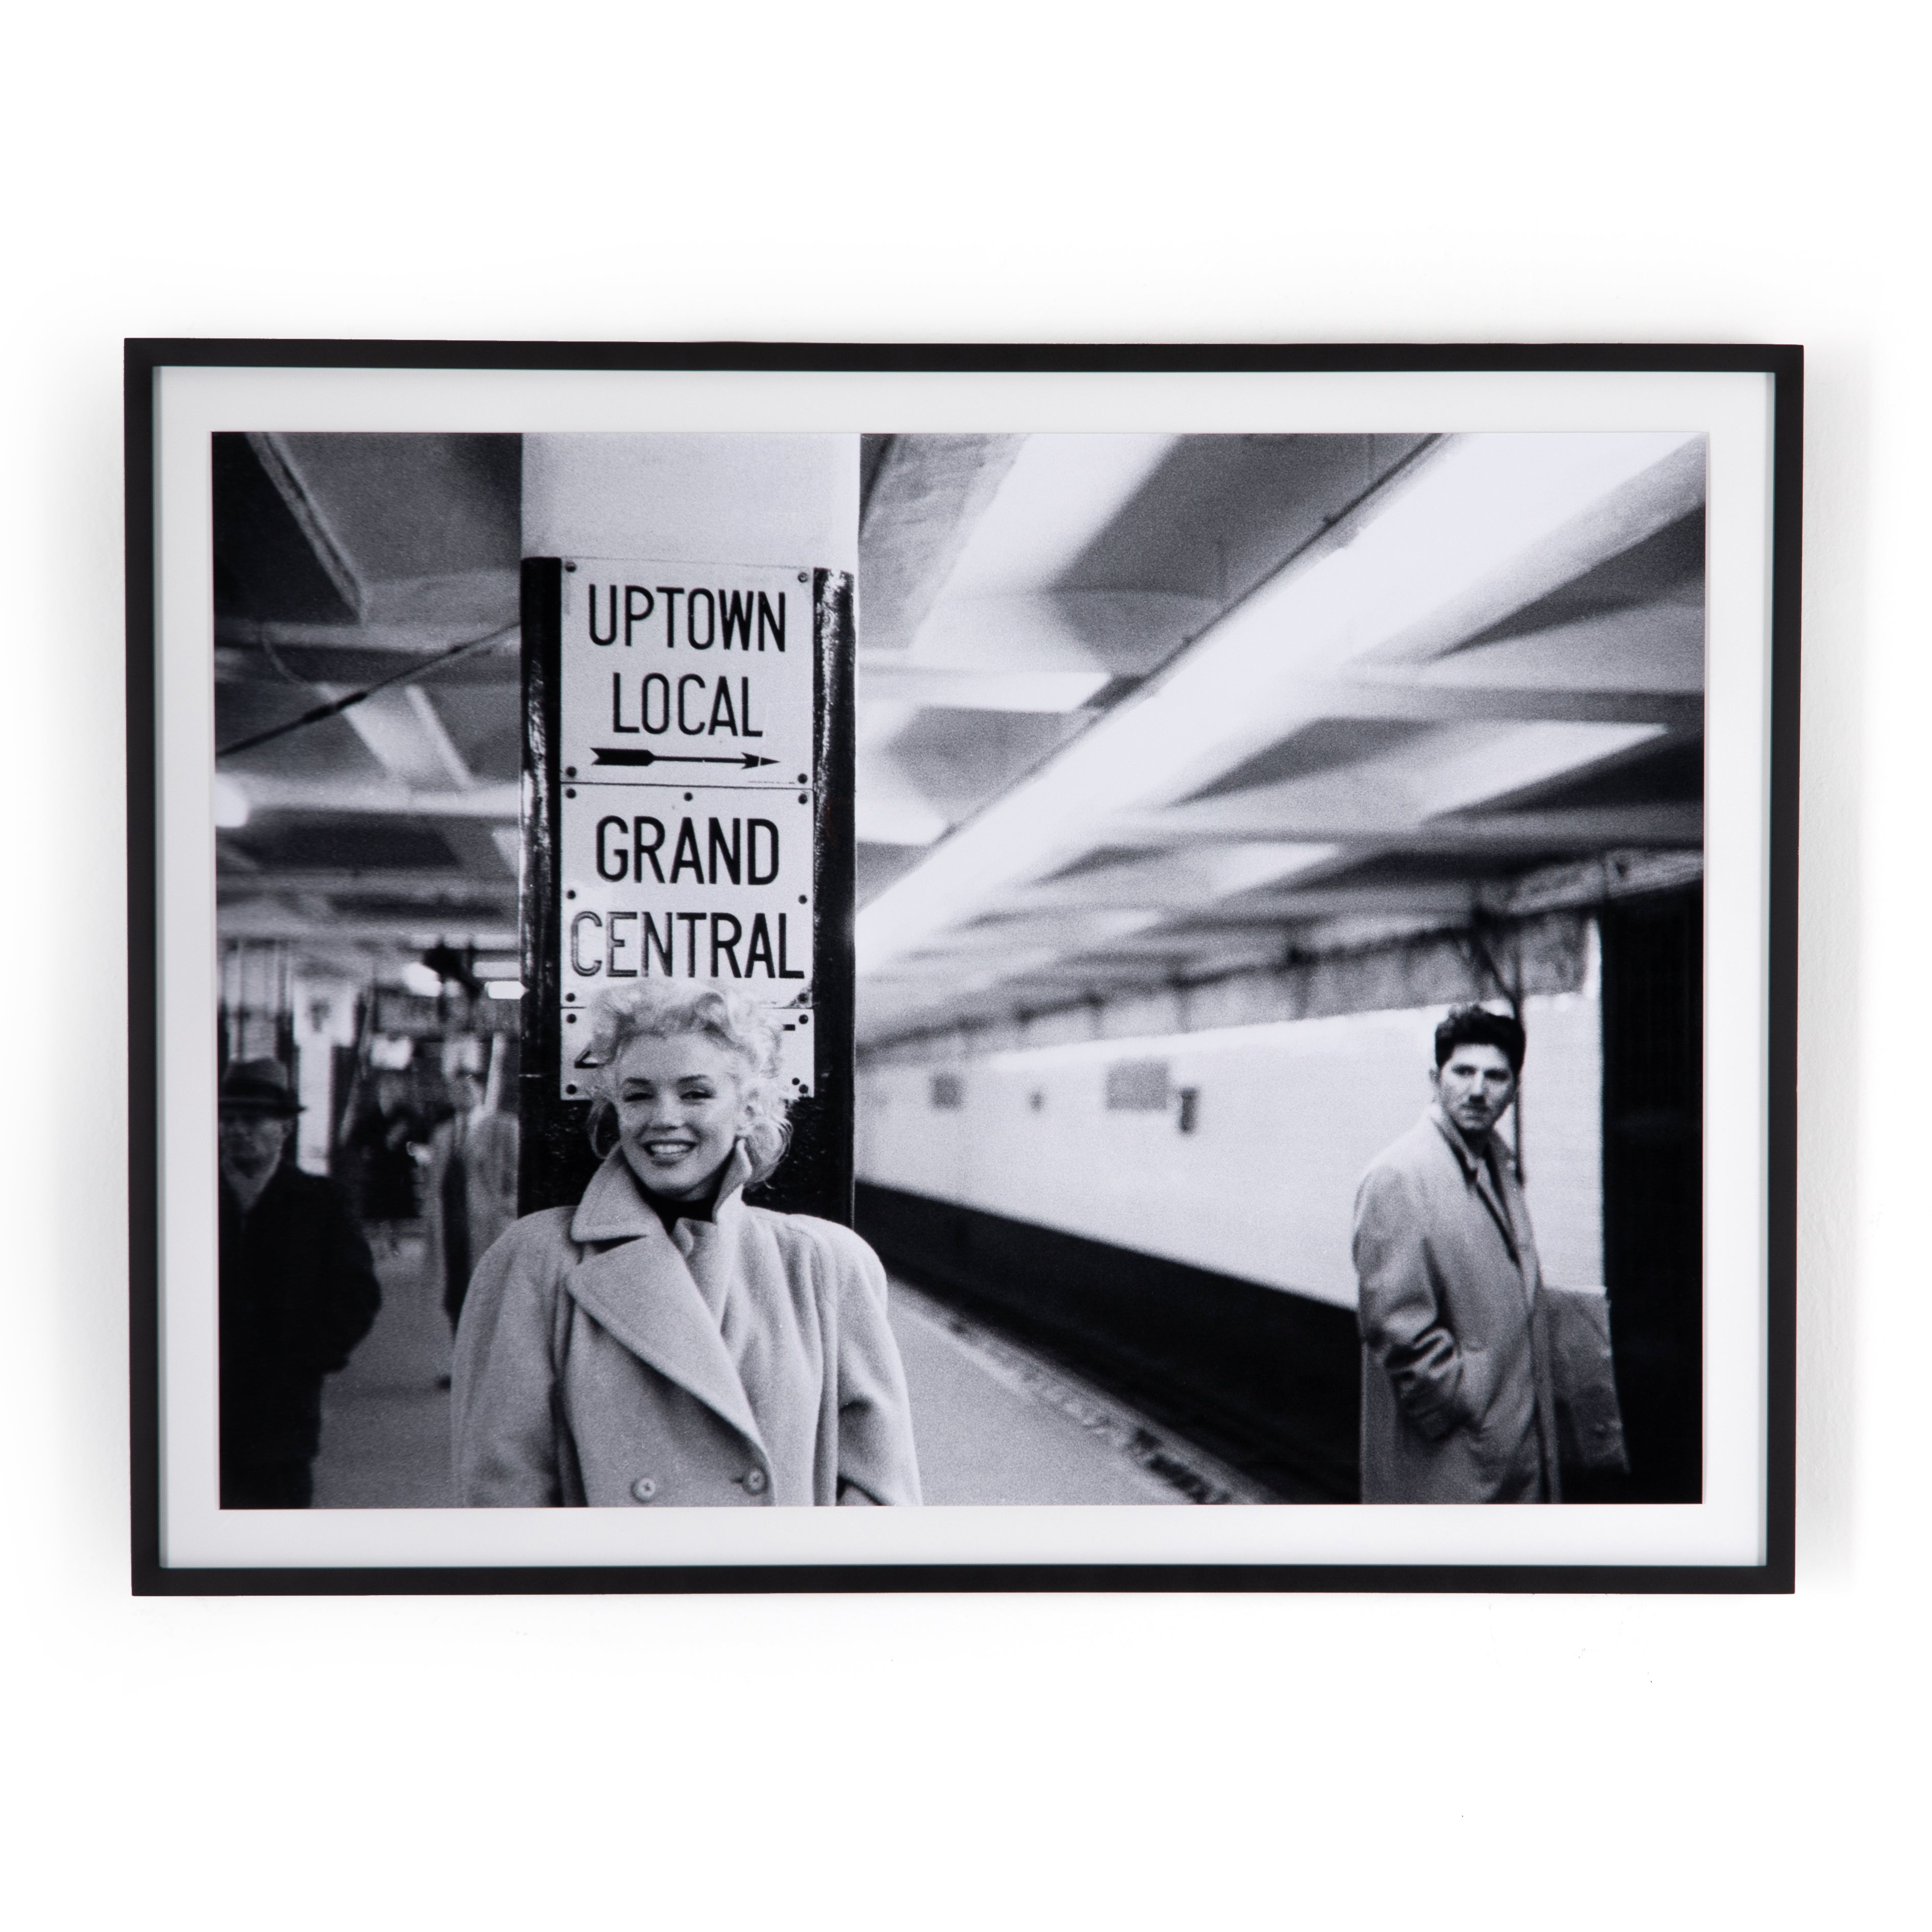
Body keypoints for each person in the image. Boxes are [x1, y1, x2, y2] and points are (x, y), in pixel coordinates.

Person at [451, 983, 922, 1508]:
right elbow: (502, 1496)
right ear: (615, 1111)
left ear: (747, 1109)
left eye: (695, 1093)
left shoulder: (824, 1265)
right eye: (638, 1095)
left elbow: (881, 1501)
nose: (663, 1118)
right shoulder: (535, 1262)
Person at [1351, 1005, 1560, 1504]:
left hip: (1508, 1453)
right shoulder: (1398, 1177)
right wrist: (1465, 1407)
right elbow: (1395, 1325)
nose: (1477, 1089)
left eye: (1495, 1076)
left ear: (1513, 1089)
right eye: (1462, 1071)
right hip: (1456, 1465)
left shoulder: (1496, 1164)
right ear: (1434, 1078)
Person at [218, 1058, 382, 1508]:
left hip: (284, 1410)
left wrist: (308, 1360)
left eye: (252, 1120)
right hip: (199, 1407)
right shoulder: (190, 1196)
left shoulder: (320, 1202)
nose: (238, 1130)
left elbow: (358, 1295)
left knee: (278, 1523)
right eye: (228, 1120)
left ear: (285, 1128)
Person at [422, 1064, 520, 1333]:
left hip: (488, 1229)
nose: (461, 1094)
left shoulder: (504, 1127)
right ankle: (459, 1367)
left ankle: (487, 1370)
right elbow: (435, 1185)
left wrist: (504, 1215)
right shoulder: (443, 1134)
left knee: (488, 1298)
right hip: (450, 1230)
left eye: (467, 1087)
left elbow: (517, 1180)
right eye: (455, 1089)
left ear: (480, 1089)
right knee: (455, 1298)